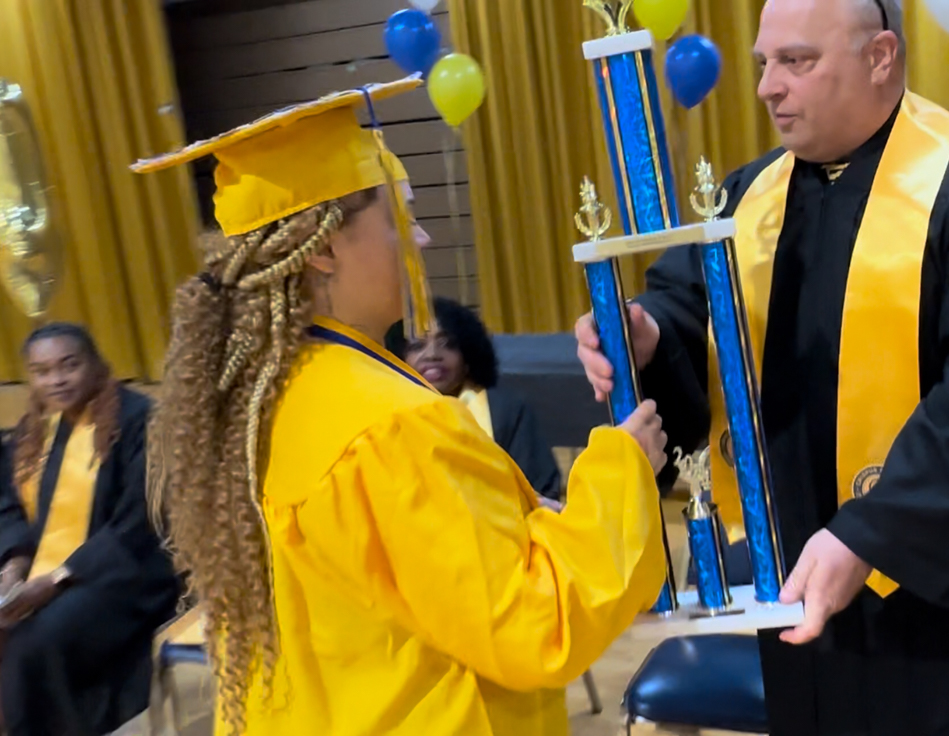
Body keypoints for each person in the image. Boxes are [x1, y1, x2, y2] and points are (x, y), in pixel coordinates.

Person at [575, 0, 949, 733]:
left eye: (796, 62)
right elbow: (681, 305)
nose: (767, 88)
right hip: (801, 583)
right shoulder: (746, 201)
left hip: (945, 603)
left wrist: (870, 531)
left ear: (880, 58)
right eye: (763, 65)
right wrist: (646, 338)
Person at [135, 76, 668, 736]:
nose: (420, 239)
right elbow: (535, 624)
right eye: (398, 217)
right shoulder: (387, 423)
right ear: (324, 248)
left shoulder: (270, 394)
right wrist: (622, 472)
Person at [0, 323, 180, 736]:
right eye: (42, 371)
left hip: (126, 574)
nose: (56, 380)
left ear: (96, 364)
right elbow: (8, 505)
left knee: (36, 641)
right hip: (43, 572)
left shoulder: (138, 422)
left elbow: (138, 523)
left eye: (69, 365)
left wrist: (57, 579)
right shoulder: (34, 430)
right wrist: (15, 564)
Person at [385, 297, 564, 506]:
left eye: (448, 344)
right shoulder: (387, 420)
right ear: (398, 358)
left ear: (468, 355)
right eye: (417, 345)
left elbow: (539, 490)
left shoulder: (504, 410)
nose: (432, 354)